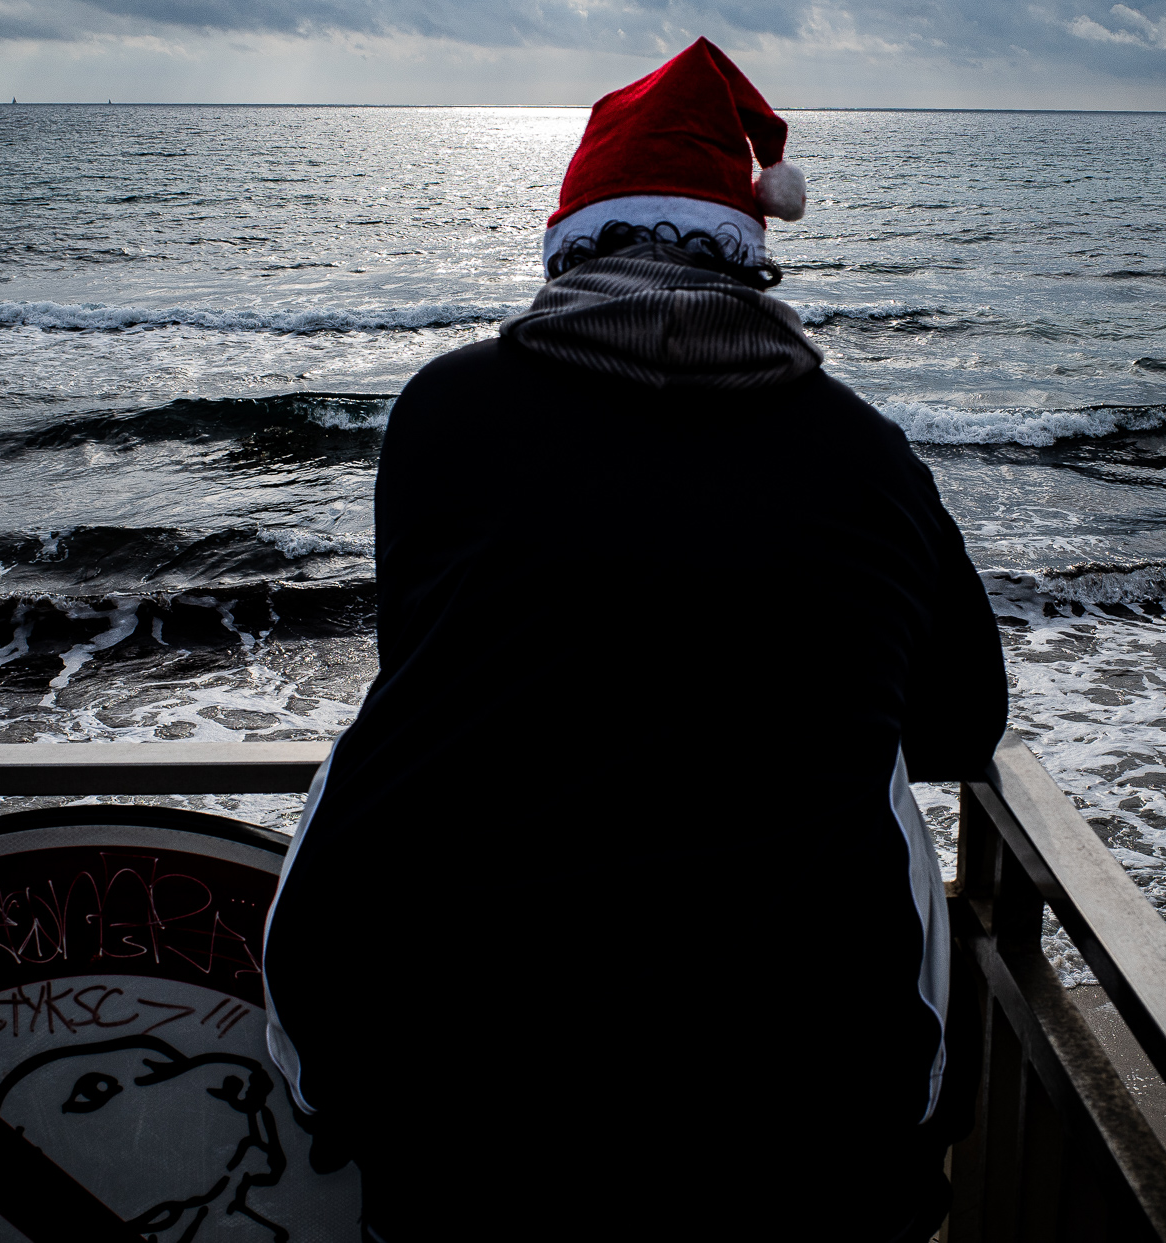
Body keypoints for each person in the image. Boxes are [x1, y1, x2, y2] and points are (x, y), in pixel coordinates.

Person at [262, 37, 1007, 1242]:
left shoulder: (447, 412)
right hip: (802, 1099)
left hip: (457, 1079)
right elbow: (963, 719)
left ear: (569, 242)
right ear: (747, 249)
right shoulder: (862, 453)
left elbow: (427, 660)